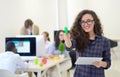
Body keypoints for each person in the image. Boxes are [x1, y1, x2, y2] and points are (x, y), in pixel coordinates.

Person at [64, 10, 111, 77]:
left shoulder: (104, 41)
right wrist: (67, 39)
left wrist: (101, 63)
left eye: (88, 21)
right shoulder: (78, 38)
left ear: (94, 22)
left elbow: (108, 63)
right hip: (80, 74)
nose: (86, 24)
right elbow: (69, 47)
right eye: (83, 22)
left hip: (97, 74)